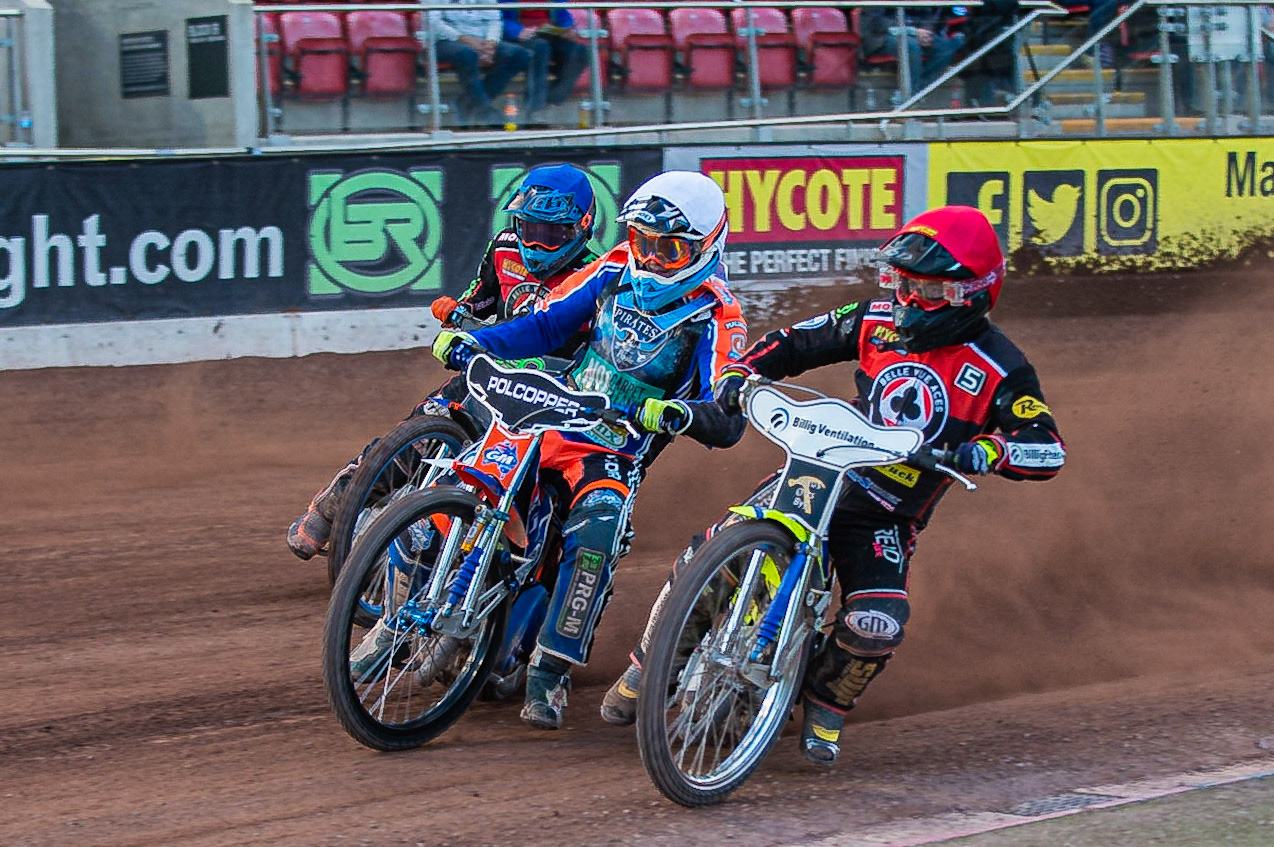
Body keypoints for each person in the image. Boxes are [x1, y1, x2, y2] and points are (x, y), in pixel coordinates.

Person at [600, 205, 1067, 768]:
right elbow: (795, 342)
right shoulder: (874, 318)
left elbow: (1046, 446)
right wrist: (739, 373)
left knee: (878, 619)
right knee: (715, 549)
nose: (910, 301)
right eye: (903, 283)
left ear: (972, 294)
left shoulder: (1001, 366)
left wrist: (986, 449)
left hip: (886, 513)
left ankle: (826, 703)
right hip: (821, 471)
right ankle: (649, 665)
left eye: (929, 290)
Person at [429, 170, 749, 730]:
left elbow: (726, 415)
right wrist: (475, 341)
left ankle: (550, 672)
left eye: (669, 249)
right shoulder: (614, 265)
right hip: (549, 412)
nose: (651, 258)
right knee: (456, 483)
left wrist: (683, 413)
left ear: (706, 244)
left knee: (596, 532)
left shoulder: (718, 313)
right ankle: (404, 597)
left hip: (614, 446)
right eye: (644, 241)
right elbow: (547, 326)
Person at [286, 163, 600, 561]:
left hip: (552, 398)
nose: (535, 245)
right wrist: (459, 312)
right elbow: (480, 299)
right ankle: (331, 509)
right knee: (418, 427)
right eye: (529, 229)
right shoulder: (503, 248)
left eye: (551, 234)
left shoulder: (598, 277)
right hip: (491, 373)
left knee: (545, 486)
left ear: (581, 227)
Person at [427, 0, 532, 125]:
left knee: (520, 55)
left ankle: (466, 102)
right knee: (467, 54)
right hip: (445, 40)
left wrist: (490, 43)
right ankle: (485, 111)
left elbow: (495, 19)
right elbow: (433, 22)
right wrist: (466, 39)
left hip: (482, 40)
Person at [500, 0, 590, 117]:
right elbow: (498, 18)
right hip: (519, 38)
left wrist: (568, 29)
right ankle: (535, 109)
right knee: (540, 47)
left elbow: (563, 14)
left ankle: (553, 98)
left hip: (549, 35)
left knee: (580, 51)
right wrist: (517, 31)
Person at [859, 6, 967, 91]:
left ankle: (918, 91)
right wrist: (912, 31)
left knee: (946, 48)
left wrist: (924, 32)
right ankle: (911, 97)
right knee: (911, 45)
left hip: (915, 33)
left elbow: (928, 16)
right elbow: (877, 23)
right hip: (881, 35)